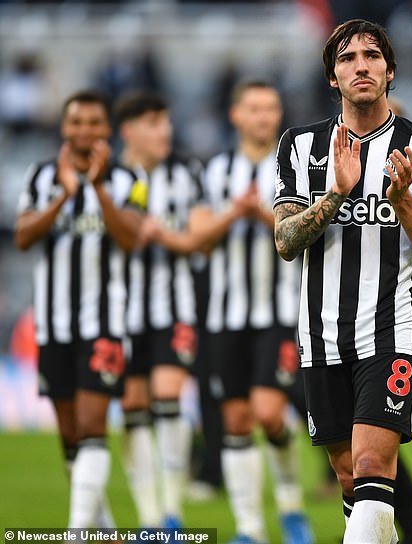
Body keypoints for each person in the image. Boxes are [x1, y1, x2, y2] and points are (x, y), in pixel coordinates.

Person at [273, 19, 412, 544]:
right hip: (322, 333)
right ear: (333, 76)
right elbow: (285, 242)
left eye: (372, 56)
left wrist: (402, 202)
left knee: (375, 459)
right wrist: (335, 194)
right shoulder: (299, 145)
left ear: (390, 71)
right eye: (348, 58)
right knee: (352, 478)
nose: (361, 65)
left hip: (392, 327)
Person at [144, 80, 313, 544]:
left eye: (271, 108)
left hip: (279, 313)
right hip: (223, 317)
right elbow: (197, 238)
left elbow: (305, 235)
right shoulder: (213, 171)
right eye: (254, 109)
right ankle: (251, 528)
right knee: (236, 422)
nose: (263, 117)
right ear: (236, 115)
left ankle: (291, 504)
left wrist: (261, 215)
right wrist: (233, 215)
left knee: (270, 413)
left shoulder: (297, 168)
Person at [14, 90, 145, 528]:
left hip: (103, 323)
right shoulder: (40, 177)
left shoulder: (129, 179)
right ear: (64, 128)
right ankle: (104, 531)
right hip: (54, 327)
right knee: (70, 437)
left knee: (91, 425)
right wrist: (63, 197)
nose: (85, 131)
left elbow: (129, 238)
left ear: (107, 130)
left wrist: (97, 188)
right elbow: (23, 237)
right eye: (77, 122)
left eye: (94, 123)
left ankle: (74, 534)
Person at [114, 91, 204, 529]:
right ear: (129, 130)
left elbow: (199, 238)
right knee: (132, 408)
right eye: (153, 122)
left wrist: (159, 234)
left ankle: (172, 513)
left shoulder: (187, 173)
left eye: (166, 122)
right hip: (118, 314)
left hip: (175, 308)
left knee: (168, 398)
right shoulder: (109, 177)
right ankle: (149, 517)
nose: (164, 131)